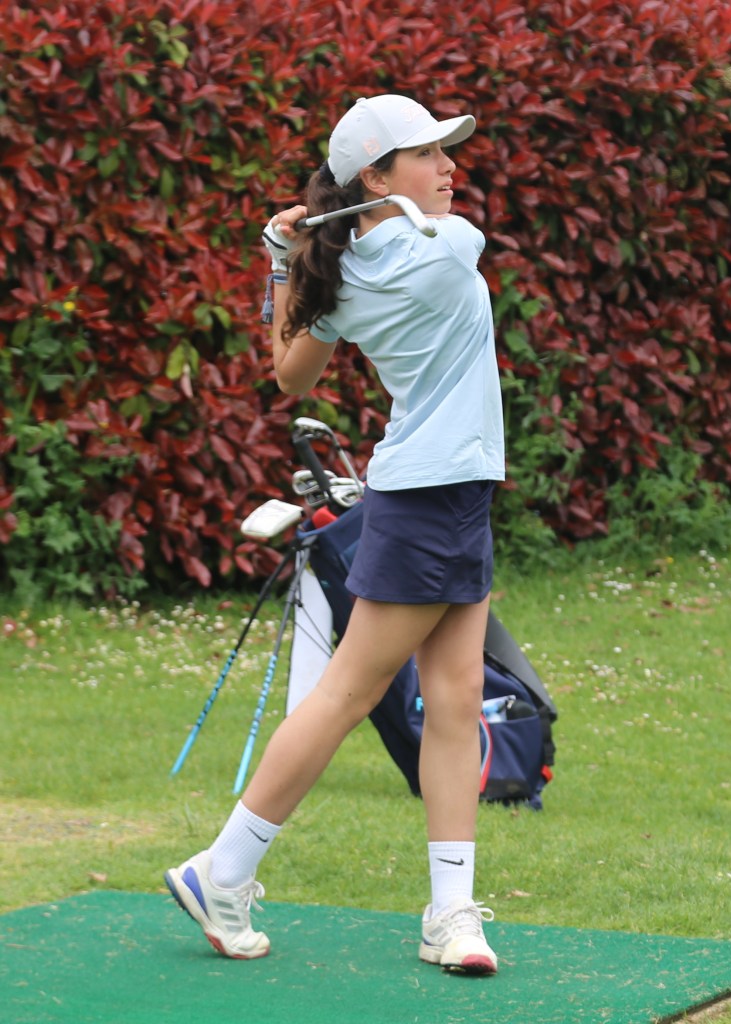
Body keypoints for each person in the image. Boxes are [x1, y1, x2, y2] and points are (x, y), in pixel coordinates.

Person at [165, 94, 505, 974]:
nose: (449, 169)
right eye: (427, 155)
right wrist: (308, 256)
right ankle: (222, 869)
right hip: (429, 497)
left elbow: (291, 374)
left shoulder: (342, 270)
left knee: (456, 699)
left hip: (448, 492)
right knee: (348, 694)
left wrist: (281, 262)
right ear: (376, 178)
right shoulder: (449, 247)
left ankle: (451, 914)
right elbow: (302, 371)